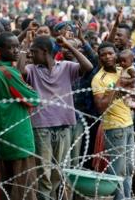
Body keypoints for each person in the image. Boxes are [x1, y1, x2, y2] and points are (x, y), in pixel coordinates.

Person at [21, 35, 92, 200]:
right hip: (41, 127)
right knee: (43, 171)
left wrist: (68, 45)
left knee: (58, 170)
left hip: (64, 126)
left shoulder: (66, 67)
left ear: (45, 52)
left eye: (34, 51)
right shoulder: (32, 69)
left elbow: (88, 67)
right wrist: (24, 47)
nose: (31, 55)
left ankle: (50, 197)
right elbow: (19, 72)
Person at [0, 32, 40, 200]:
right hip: (18, 135)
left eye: (17, 46)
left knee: (8, 184)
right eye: (11, 47)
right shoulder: (8, 73)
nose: (16, 50)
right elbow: (33, 99)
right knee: (24, 185)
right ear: (0, 49)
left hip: (4, 133)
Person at [91, 42, 134, 200]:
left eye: (110, 53)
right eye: (103, 54)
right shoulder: (98, 79)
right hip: (114, 128)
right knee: (117, 171)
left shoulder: (122, 69)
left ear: (116, 54)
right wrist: (116, 86)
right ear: (100, 58)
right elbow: (101, 107)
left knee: (129, 169)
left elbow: (134, 89)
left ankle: (127, 197)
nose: (107, 57)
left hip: (128, 124)